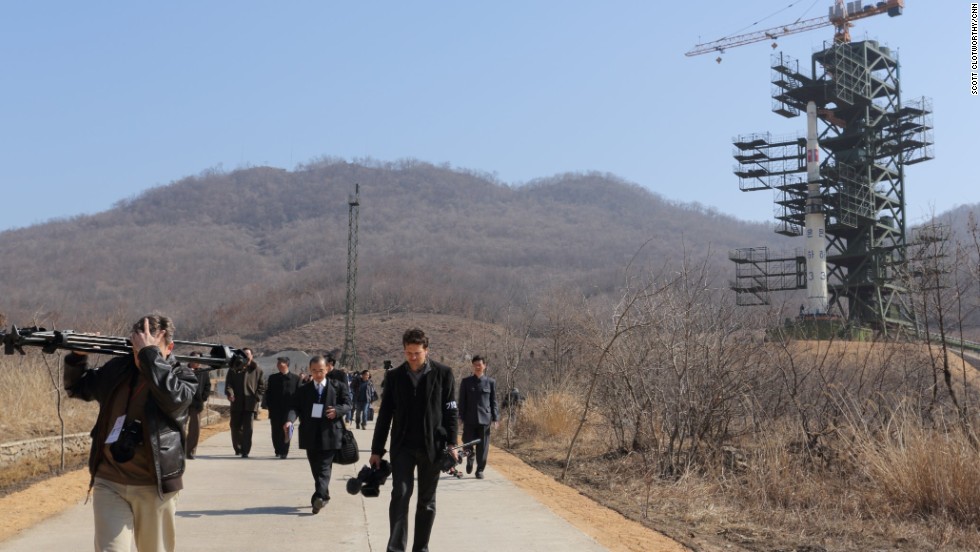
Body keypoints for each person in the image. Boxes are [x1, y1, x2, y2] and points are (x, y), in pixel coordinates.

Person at [63, 314, 197, 551]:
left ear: (170, 347)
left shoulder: (182, 377)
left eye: (150, 348)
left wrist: (150, 356)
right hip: (110, 482)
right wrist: (77, 357)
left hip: (155, 487)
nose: (140, 356)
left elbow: (173, 400)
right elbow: (77, 388)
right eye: (137, 348)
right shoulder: (118, 370)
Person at [370, 328, 458, 552]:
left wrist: (452, 444)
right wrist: (377, 450)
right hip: (403, 447)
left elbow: (450, 412)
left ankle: (421, 548)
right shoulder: (395, 377)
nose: (412, 358)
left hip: (433, 447)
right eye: (408, 353)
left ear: (426, 351)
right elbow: (385, 415)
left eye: (417, 353)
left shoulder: (443, 374)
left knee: (426, 502)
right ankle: (395, 548)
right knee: (400, 493)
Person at [285, 356, 352, 514]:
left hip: (331, 433)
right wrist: (290, 421)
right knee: (316, 467)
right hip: (310, 434)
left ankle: (319, 497)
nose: (318, 374)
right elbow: (295, 407)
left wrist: (337, 411)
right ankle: (324, 495)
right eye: (314, 371)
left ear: (327, 369)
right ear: (310, 370)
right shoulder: (304, 390)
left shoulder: (338, 386)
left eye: (321, 370)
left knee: (324, 467)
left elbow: (348, 404)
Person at [457, 355, 498, 479]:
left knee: (483, 446)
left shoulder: (490, 382)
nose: (477, 367)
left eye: (479, 364)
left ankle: (480, 470)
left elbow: (493, 401)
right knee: (467, 443)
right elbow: (462, 401)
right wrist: (460, 417)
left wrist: (496, 418)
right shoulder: (466, 382)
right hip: (469, 418)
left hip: (485, 419)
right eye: (475, 365)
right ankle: (470, 458)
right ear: (472, 366)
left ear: (484, 366)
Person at [225, 347, 266, 458]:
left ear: (252, 356)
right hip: (236, 403)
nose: (246, 356)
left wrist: (257, 397)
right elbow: (229, 384)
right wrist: (230, 394)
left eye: (248, 354)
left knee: (248, 429)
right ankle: (237, 448)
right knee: (235, 427)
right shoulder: (233, 368)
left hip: (250, 403)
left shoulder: (257, 370)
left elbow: (262, 387)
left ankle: (245, 450)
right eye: (244, 354)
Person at [263, 356, 300, 459]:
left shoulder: (296, 379)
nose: (278, 365)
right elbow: (268, 393)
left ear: (287, 364)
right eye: (278, 363)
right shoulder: (273, 378)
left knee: (287, 429)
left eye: (281, 363)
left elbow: (300, 394)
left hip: (289, 410)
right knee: (276, 432)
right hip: (275, 409)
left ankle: (284, 451)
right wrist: (269, 405)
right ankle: (278, 450)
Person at [185, 351, 212, 459]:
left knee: (194, 429)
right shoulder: (183, 370)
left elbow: (207, 386)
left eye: (199, 360)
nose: (197, 362)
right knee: (180, 427)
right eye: (195, 359)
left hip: (197, 404)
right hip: (184, 403)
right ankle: (179, 450)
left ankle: (191, 451)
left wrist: (203, 397)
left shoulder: (204, 372)